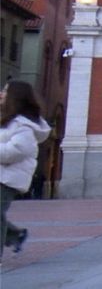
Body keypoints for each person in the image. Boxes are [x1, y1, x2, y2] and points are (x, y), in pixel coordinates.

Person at [0, 81, 50, 259]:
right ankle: (15, 235)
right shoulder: (7, 120)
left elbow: (17, 151)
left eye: (5, 91)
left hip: (7, 178)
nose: (2, 93)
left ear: (16, 96)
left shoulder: (23, 126)